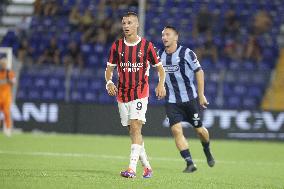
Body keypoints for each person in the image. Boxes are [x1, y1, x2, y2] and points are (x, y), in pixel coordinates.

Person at [105, 12, 166, 178]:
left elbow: (160, 68)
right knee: (133, 131)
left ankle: (131, 169)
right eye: (124, 23)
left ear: (137, 24)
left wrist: (161, 83)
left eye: (129, 23)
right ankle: (147, 168)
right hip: (122, 94)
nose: (126, 26)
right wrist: (109, 82)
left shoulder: (147, 46)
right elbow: (109, 68)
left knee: (136, 125)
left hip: (140, 93)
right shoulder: (116, 46)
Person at [160, 26, 215, 173]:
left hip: (190, 100)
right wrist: (160, 85)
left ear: (176, 37)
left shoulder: (186, 53)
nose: (164, 37)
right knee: (176, 131)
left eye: (167, 34)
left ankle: (207, 149)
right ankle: (190, 163)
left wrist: (202, 94)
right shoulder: (159, 55)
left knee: (200, 131)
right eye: (163, 35)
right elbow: (155, 71)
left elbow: (199, 71)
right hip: (172, 101)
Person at [0, 57, 16, 137]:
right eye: (2, 64)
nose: (3, 65)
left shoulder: (10, 73)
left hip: (6, 96)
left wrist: (9, 79)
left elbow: (13, 82)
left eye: (4, 64)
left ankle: (8, 129)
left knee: (6, 113)